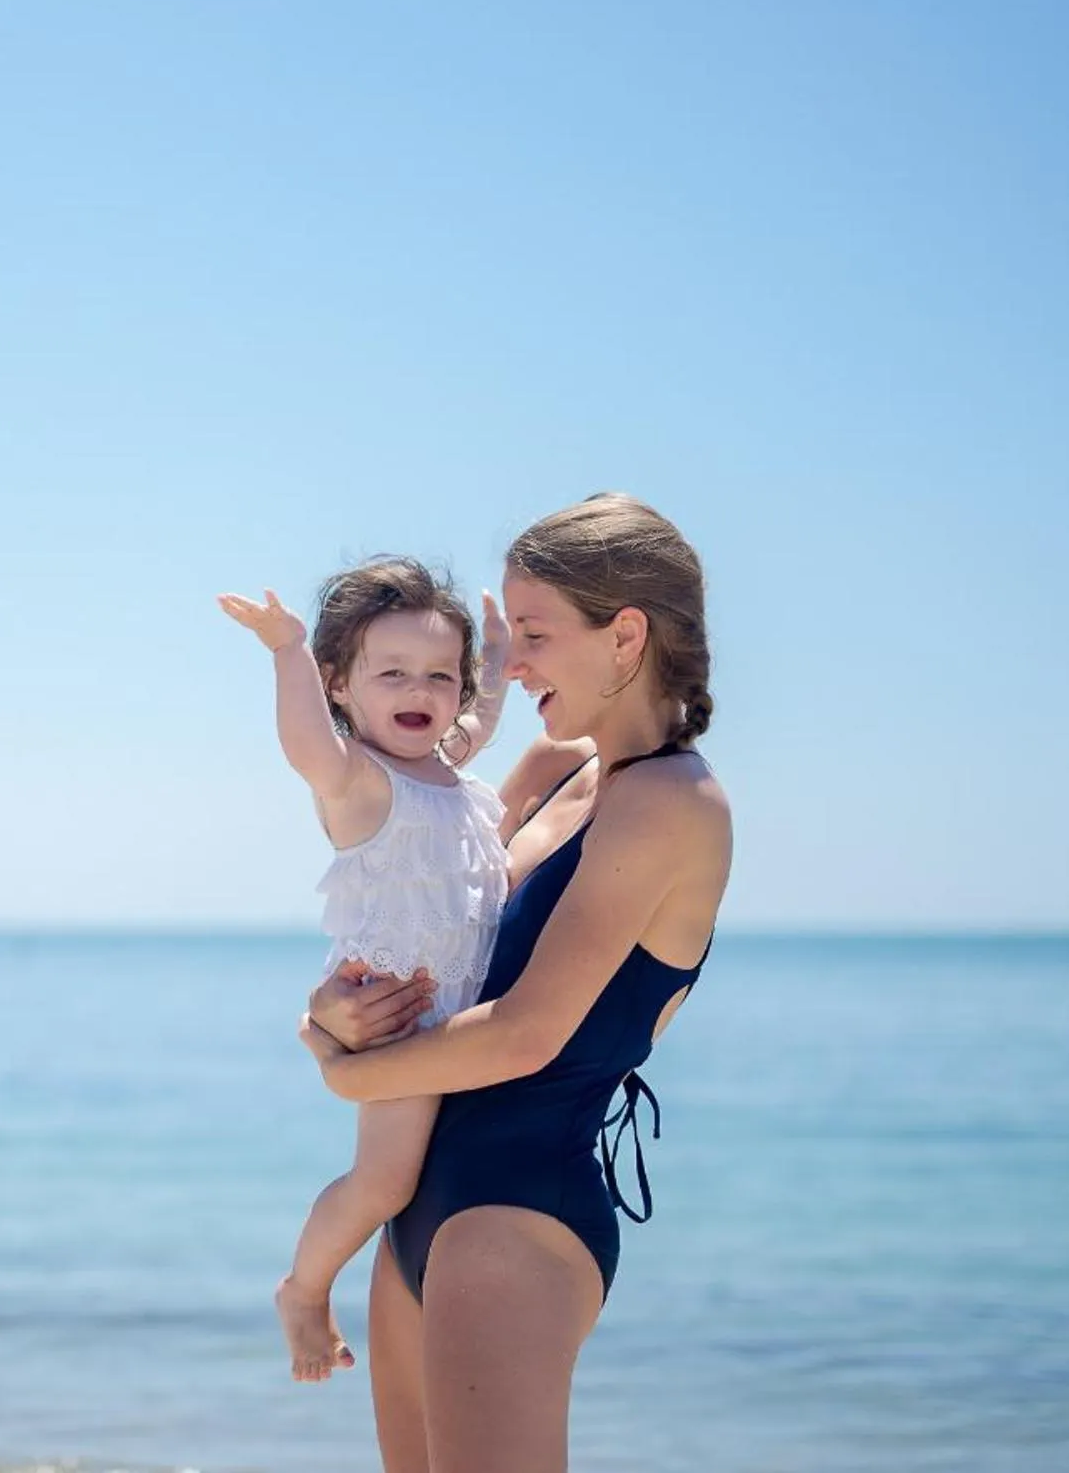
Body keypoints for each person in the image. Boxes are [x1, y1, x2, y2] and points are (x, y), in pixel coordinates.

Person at [298, 495, 732, 1473]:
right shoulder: (549, 768)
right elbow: (430, 937)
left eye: (534, 635)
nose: (514, 665)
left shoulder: (673, 803)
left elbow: (527, 1033)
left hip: (516, 1215)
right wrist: (337, 1011)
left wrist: (343, 1075)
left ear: (625, 636)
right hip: (416, 1215)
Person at [217, 558, 512, 1383]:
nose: (419, 690)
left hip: (463, 1016)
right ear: (341, 685)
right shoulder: (358, 780)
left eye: (438, 676)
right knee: (384, 1182)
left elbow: (483, 713)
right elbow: (305, 743)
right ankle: (304, 1289)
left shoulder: (451, 768)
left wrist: (496, 651)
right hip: (400, 1019)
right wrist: (286, 651)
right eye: (391, 674)